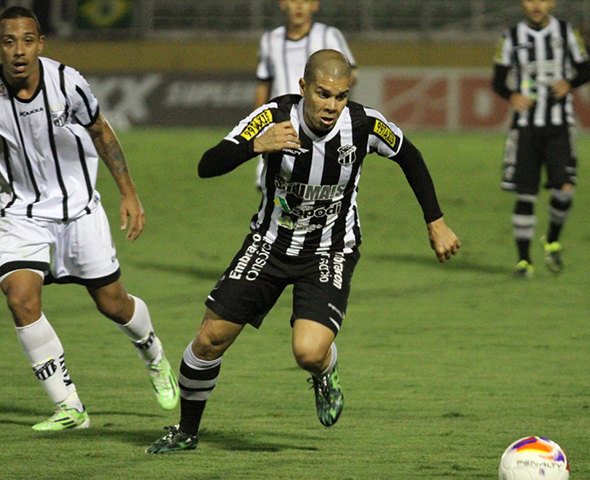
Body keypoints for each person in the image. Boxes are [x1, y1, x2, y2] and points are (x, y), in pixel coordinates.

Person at [146, 50, 461, 454]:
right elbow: (207, 165)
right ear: (303, 88)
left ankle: (325, 370)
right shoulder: (274, 116)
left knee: (308, 353)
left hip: (330, 249)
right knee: (209, 340)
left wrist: (436, 221)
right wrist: (254, 146)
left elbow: (410, 156)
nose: (331, 106)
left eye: (341, 96)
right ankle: (187, 432)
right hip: (270, 243)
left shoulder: (364, 124)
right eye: (323, 94)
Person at [0, 7, 178, 431]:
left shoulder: (67, 81)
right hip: (20, 212)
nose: (19, 51)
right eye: (9, 42)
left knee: (113, 304)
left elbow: (100, 130)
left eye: (27, 40)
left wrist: (128, 193)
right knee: (20, 299)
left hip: (78, 209)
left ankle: (154, 354)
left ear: (40, 43)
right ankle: (70, 407)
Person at [492, 0, 590, 278]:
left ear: (552, 3)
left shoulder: (567, 33)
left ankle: (552, 239)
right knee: (526, 194)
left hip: (560, 126)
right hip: (525, 129)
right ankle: (524, 262)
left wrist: (570, 83)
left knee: (565, 188)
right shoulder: (510, 37)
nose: (537, 5)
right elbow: (498, 80)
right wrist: (511, 95)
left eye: (543, 0)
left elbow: (585, 70)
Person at [253, 0, 357, 189]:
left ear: (315, 5)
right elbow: (263, 83)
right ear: (283, 3)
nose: (299, 5)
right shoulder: (270, 39)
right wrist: (257, 121)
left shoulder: (328, 36)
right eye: (294, 0)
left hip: (317, 124)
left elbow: (351, 75)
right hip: (281, 123)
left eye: (306, 0)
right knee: (273, 189)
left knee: (317, 188)